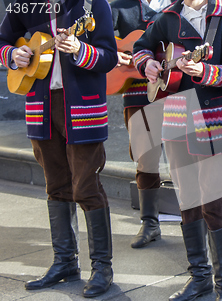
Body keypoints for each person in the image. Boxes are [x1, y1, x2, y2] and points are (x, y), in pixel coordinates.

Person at [0, 0, 118, 298]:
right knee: (55, 186)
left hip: (82, 107)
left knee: (86, 187)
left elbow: (109, 58)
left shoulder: (92, 5)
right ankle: (65, 262)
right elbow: (2, 41)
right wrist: (13, 53)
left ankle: (102, 267)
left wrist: (80, 50)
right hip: (40, 107)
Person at [133, 0, 222, 300]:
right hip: (176, 119)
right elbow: (142, 46)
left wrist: (205, 71)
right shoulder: (168, 17)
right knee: (187, 200)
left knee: (213, 202)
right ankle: (199, 278)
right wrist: (148, 64)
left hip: (216, 122)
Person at [110, 0, 173, 249]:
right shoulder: (119, 6)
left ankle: (196, 223)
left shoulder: (183, 5)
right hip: (138, 92)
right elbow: (98, 41)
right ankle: (149, 222)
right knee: (146, 158)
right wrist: (111, 55)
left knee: (189, 157)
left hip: (177, 88)